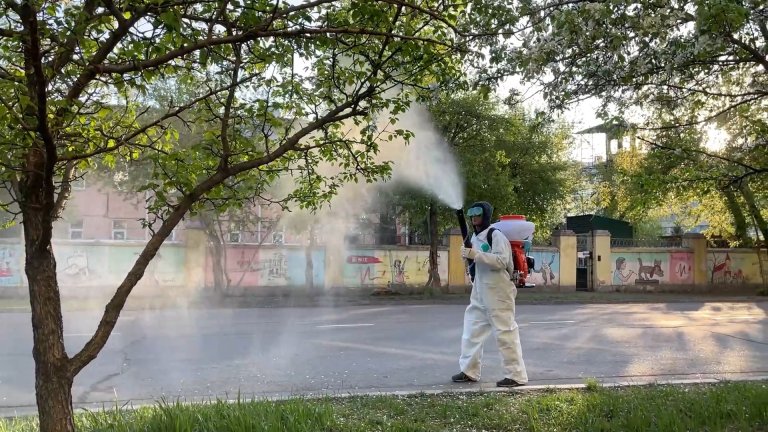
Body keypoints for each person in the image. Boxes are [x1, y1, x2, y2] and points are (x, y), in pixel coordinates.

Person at [452, 201, 528, 387]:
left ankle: (516, 375)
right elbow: (476, 261)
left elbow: (502, 261)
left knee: (505, 332)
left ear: (485, 214)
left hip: (498, 290)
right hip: (480, 290)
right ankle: (469, 371)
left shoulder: (496, 235)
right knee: (471, 332)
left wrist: (475, 255)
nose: (473, 217)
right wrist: (469, 257)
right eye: (471, 213)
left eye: (478, 213)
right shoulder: (474, 237)